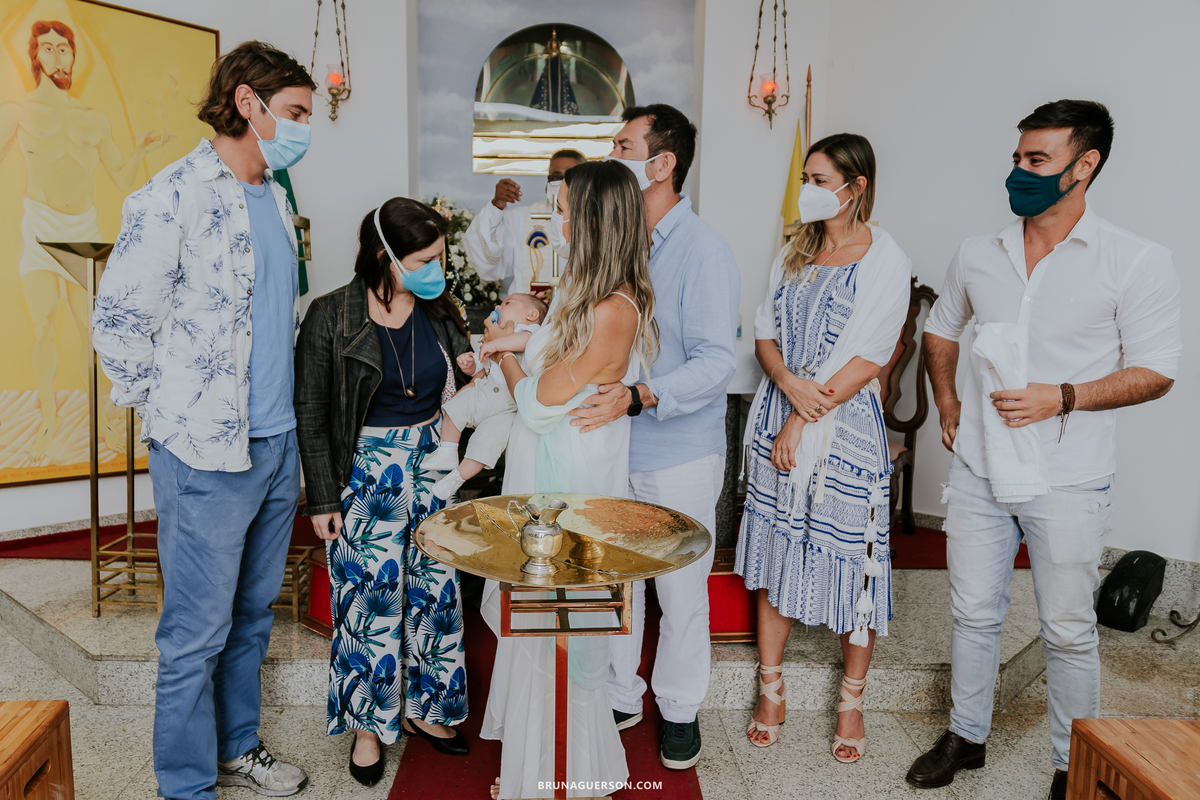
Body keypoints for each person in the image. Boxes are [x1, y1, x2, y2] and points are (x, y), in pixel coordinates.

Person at [905, 100, 1180, 800]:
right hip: (977, 469)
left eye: (1037, 161)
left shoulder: (1136, 260)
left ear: (1085, 166)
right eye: (1018, 157)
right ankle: (966, 737)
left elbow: (1156, 371)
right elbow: (940, 330)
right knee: (972, 614)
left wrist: (1063, 396)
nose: (1018, 172)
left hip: (1069, 476)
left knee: (1066, 627)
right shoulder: (978, 252)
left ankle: (1072, 761)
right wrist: (948, 404)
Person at [91, 41, 315, 799]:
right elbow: (118, 322)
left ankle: (238, 748)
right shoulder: (171, 195)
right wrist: (172, 417)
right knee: (195, 634)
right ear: (247, 103)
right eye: (293, 113)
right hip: (204, 452)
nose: (301, 129)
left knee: (253, 618)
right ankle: (185, 786)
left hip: (276, 445)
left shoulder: (277, 198)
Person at [480, 159, 659, 799]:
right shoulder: (577, 294)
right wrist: (513, 352)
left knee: (558, 626)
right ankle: (531, 762)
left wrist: (503, 351)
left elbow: (536, 402)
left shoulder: (613, 308)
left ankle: (561, 773)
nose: (553, 220)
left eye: (561, 209)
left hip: (571, 483)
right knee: (538, 622)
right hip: (545, 468)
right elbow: (541, 390)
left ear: (593, 219)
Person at [567, 103, 739, 770]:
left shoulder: (704, 250)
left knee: (678, 588)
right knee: (616, 581)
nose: (612, 154)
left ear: (661, 164)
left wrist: (642, 395)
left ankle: (678, 710)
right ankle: (620, 691)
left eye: (623, 144)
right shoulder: (617, 241)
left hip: (678, 450)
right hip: (611, 446)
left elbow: (716, 362)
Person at [735, 134, 912, 760]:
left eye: (817, 178)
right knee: (777, 552)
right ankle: (771, 688)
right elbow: (764, 334)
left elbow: (872, 356)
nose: (806, 189)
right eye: (805, 177)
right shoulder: (794, 251)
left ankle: (852, 701)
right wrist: (785, 385)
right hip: (779, 409)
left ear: (855, 184)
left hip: (846, 429)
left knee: (855, 564)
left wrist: (804, 417)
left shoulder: (884, 258)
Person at [294, 197, 475, 787]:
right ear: (384, 257)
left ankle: (429, 711)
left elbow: (466, 387)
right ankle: (369, 728)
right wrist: (322, 497)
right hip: (364, 468)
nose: (435, 268)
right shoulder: (331, 315)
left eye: (439, 256)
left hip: (433, 460)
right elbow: (312, 409)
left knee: (436, 588)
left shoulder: (440, 309)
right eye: (423, 258)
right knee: (368, 601)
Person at [2, 18, 164, 455]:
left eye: (64, 49)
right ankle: (48, 424)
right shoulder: (18, 111)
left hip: (84, 232)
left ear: (74, 56)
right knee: (43, 326)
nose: (58, 56)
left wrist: (139, 152)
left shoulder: (93, 119)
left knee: (90, 332)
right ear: (35, 56)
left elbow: (121, 177)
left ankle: (100, 425)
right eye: (48, 48)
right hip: (39, 229)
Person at [426, 292, 548, 500]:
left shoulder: (531, 331)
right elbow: (483, 364)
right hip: (488, 389)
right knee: (455, 408)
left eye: (507, 303)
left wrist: (495, 345)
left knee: (486, 446)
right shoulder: (497, 333)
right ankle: (448, 450)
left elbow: (522, 342)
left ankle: (457, 478)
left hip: (509, 403)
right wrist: (470, 364)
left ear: (531, 314)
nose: (499, 306)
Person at [462, 148, 585, 294]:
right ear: (547, 184)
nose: (562, 183)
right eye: (555, 177)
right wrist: (496, 205)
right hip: (527, 312)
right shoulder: (521, 219)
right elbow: (486, 258)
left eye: (570, 177)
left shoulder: (595, 222)